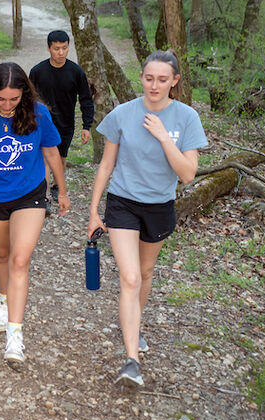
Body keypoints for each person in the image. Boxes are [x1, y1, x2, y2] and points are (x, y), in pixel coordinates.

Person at [88, 51, 207, 387]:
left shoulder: (186, 118)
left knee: (144, 272)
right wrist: (94, 210)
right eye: (149, 78)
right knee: (129, 277)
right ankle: (131, 362)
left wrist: (163, 137)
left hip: (159, 206)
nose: (154, 85)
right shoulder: (123, 115)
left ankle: (135, 324)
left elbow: (187, 174)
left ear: (175, 81)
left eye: (162, 79)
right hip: (122, 202)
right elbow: (106, 166)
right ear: (141, 77)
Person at [0, 62, 69, 370]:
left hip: (29, 194)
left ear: (24, 94)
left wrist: (62, 190)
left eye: (14, 99)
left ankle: (14, 337)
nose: (7, 105)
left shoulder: (38, 113)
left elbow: (51, 153)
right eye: (1, 99)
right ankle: (4, 302)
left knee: (20, 259)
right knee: (3, 255)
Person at [28, 30, 94, 201]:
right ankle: (45, 196)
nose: (60, 52)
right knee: (43, 156)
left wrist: (87, 126)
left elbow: (86, 99)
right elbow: (28, 98)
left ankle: (58, 186)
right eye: (56, 48)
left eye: (64, 48)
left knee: (61, 155)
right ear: (49, 48)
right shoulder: (37, 71)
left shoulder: (76, 72)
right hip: (42, 121)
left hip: (66, 121)